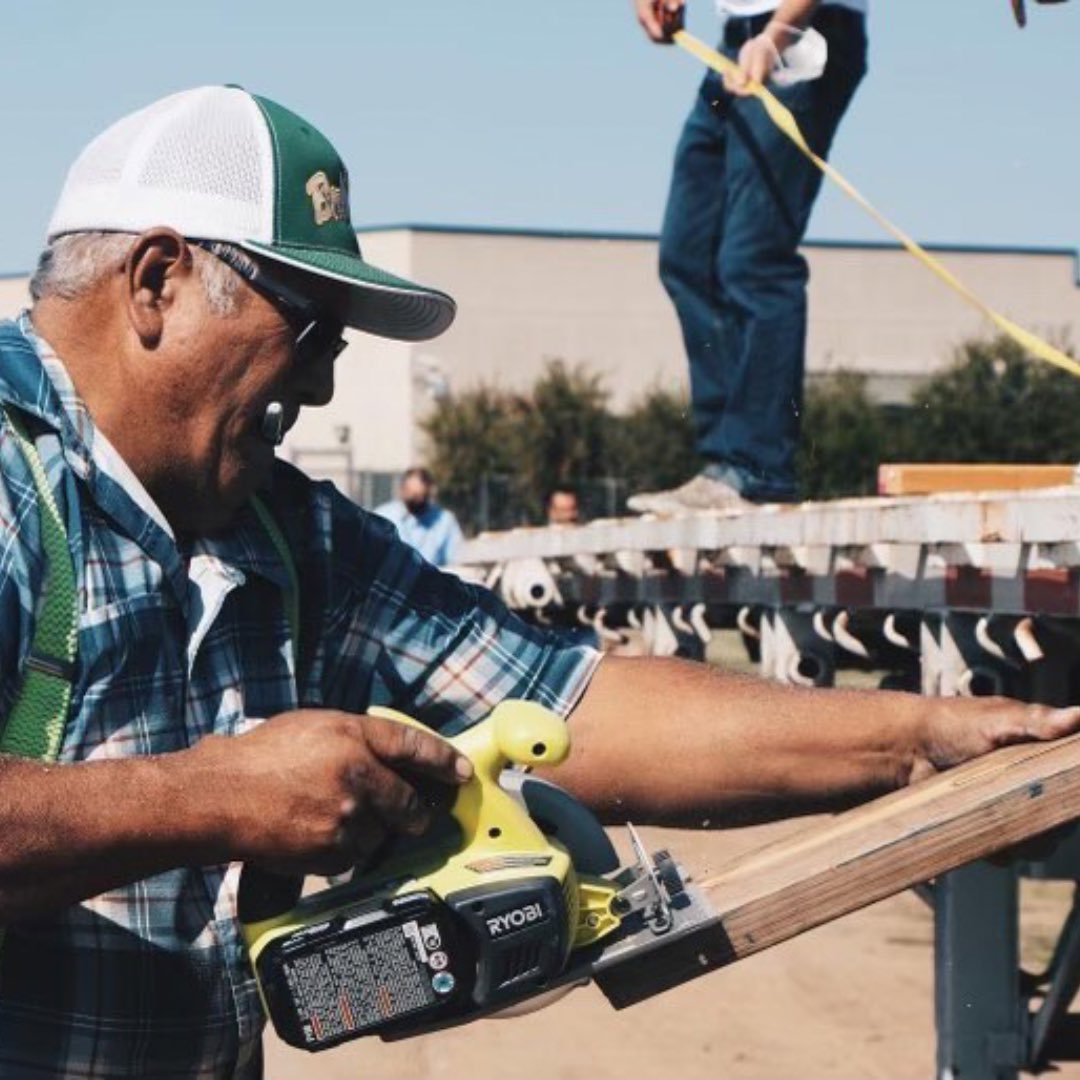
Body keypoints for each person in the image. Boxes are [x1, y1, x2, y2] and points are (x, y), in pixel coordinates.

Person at [0, 85, 1075, 1080]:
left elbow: (574, 707)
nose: (324, 382)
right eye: (311, 326)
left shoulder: (283, 532)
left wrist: (917, 736)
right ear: (157, 283)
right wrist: (217, 797)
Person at [628, 0, 868, 514]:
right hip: (739, 40)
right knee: (686, 255)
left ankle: (759, 469)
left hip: (804, 37)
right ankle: (724, 463)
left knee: (754, 259)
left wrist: (779, 33)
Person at [374, 465, 464, 566]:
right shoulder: (383, 516)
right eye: (412, 495)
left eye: (420, 496)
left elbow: (457, 562)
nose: (416, 501)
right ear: (401, 491)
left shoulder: (445, 521)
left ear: (430, 492)